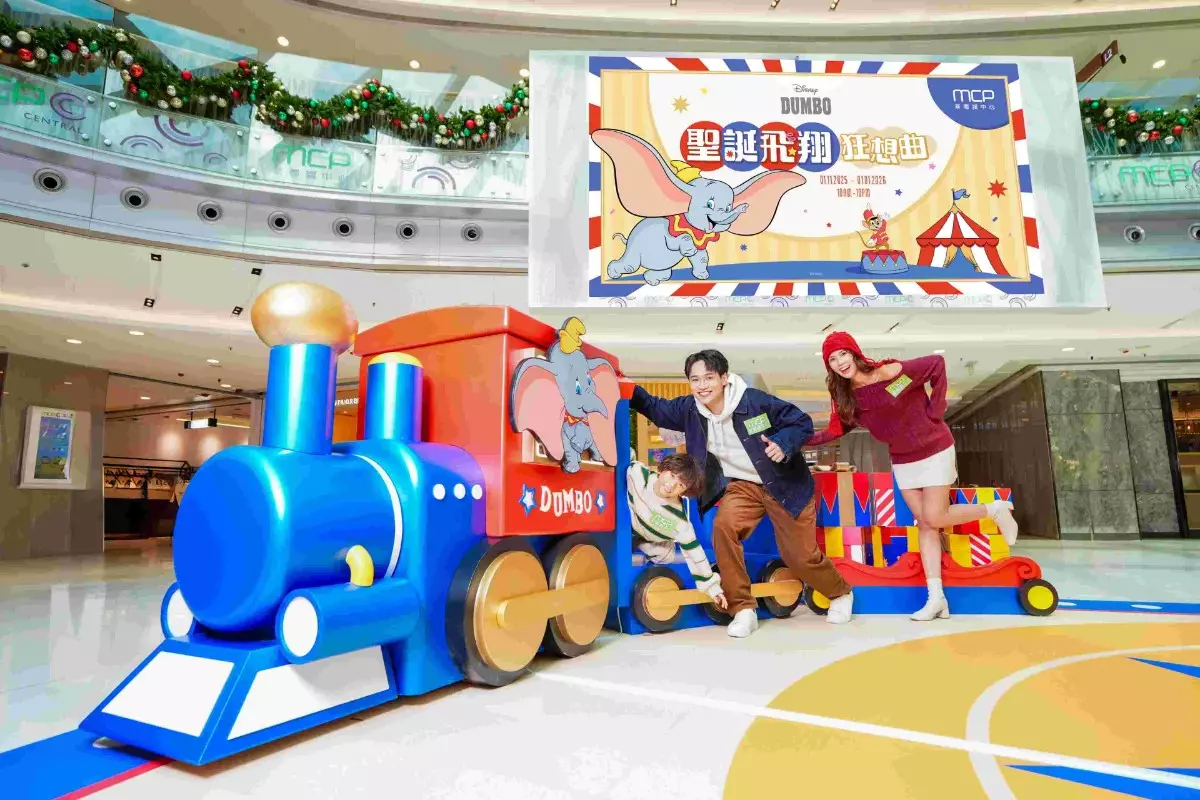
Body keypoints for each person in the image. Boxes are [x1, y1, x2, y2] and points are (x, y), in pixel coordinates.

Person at [630, 350, 854, 637]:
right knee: (723, 528)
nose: (702, 386)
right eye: (695, 380)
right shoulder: (690, 410)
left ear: (724, 378)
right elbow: (654, 407)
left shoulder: (754, 403)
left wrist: (783, 443)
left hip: (784, 483)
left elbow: (801, 422)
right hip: (743, 486)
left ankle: (840, 592)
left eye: (709, 378)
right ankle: (743, 608)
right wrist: (622, 384)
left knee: (799, 556)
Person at [807, 331, 1018, 622]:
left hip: (934, 447)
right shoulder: (848, 399)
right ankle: (936, 598)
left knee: (934, 516)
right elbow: (833, 431)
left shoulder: (890, 372)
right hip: (903, 459)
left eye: (843, 353)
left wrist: (937, 408)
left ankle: (994, 510)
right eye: (832, 359)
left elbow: (936, 364)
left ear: (854, 352)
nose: (840, 362)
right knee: (926, 524)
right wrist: (793, 441)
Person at [626, 453, 728, 612]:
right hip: (627, 527)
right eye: (672, 475)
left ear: (685, 491)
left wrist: (712, 588)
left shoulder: (678, 522)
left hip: (650, 540)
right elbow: (625, 457)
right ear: (663, 468)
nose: (671, 485)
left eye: (681, 485)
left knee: (666, 555)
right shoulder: (637, 474)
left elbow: (695, 554)